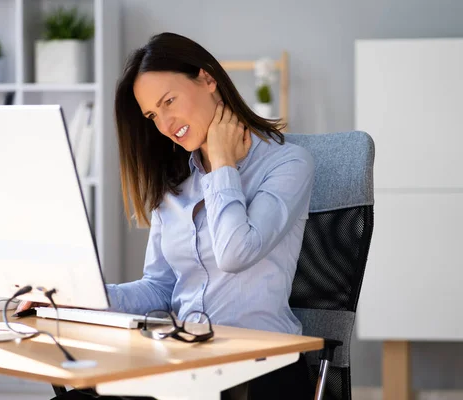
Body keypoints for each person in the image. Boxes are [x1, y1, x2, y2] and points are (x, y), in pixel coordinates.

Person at [41, 32, 315, 400]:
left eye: (169, 101)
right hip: (185, 360)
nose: (166, 123)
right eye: (153, 114)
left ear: (207, 78)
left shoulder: (287, 164)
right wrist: (79, 297)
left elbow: (236, 253)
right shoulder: (175, 182)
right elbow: (159, 287)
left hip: (260, 367)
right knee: (74, 381)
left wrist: (222, 164)